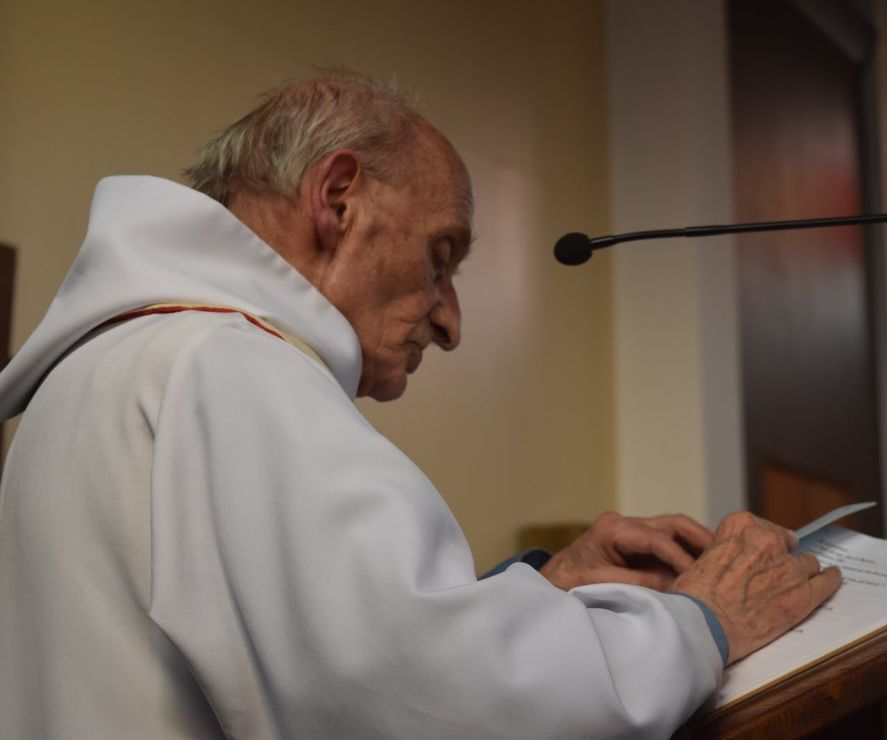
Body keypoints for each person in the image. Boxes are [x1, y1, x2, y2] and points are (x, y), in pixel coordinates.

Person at [0, 73, 840, 738]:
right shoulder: (228, 366)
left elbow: (320, 653)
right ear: (337, 200)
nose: (450, 321)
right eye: (442, 258)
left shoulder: (121, 362)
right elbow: (428, 704)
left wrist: (549, 587)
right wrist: (700, 624)